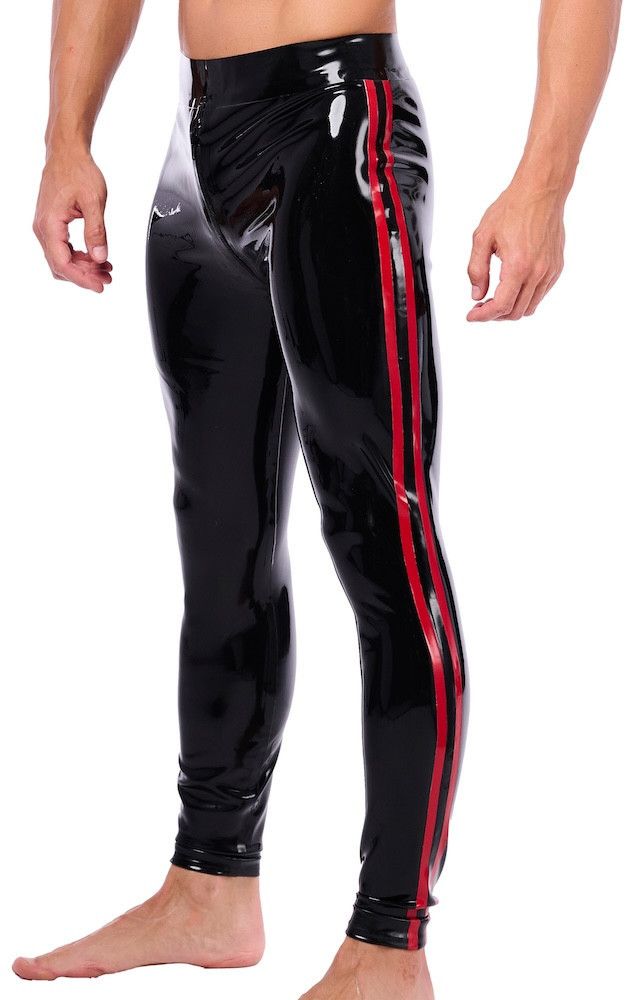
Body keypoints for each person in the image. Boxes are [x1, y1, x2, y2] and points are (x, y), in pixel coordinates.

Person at [12, 0, 622, 996]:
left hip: (338, 129)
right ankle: (209, 888)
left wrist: (543, 184)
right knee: (221, 538)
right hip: (196, 142)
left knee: (383, 537)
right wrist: (65, 135)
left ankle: (389, 946)